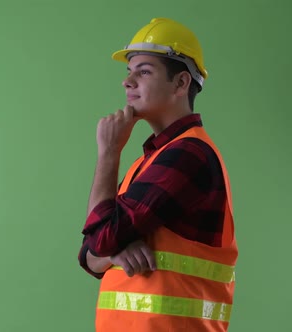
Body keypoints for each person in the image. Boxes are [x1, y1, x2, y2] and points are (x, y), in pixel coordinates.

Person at [77, 18, 238, 331]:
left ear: (180, 84)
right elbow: (89, 255)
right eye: (129, 71)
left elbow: (99, 240)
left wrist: (109, 152)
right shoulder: (151, 161)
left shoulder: (187, 155)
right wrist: (115, 247)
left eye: (144, 71)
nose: (128, 82)